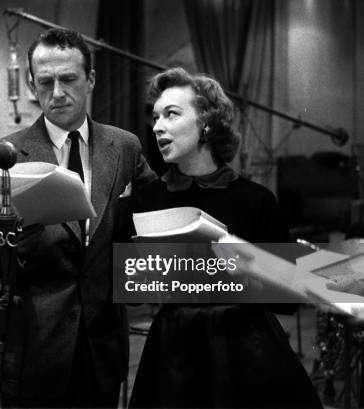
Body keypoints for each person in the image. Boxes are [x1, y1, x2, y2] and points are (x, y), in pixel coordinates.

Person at [0, 28, 156, 408]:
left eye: (68, 79)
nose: (56, 93)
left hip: (103, 343)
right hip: (35, 346)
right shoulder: (0, 156)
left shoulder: (124, 147)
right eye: (45, 82)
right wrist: (15, 236)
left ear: (90, 79)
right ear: (30, 83)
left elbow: (151, 215)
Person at [127, 67, 322, 408]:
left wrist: (236, 257)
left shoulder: (256, 199)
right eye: (155, 117)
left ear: (206, 123)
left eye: (171, 114)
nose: (157, 126)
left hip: (247, 351)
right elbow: (131, 290)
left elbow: (288, 299)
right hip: (173, 353)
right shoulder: (147, 200)